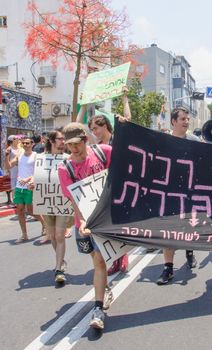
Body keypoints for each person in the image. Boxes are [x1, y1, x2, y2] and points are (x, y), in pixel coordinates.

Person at [58, 123, 113, 330]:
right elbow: (74, 198)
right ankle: (104, 287)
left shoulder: (103, 153)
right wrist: (81, 222)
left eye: (76, 144)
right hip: (86, 221)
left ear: (85, 140)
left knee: (99, 260)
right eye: (69, 144)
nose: (73, 149)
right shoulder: (65, 168)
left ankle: (98, 309)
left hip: (107, 217)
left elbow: (127, 158)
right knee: (96, 260)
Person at [86, 90, 131, 276]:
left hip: (119, 186)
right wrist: (83, 105)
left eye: (96, 128)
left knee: (118, 224)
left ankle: (123, 255)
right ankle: (114, 258)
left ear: (105, 126)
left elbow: (127, 119)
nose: (94, 132)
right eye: (92, 130)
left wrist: (124, 97)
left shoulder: (116, 139)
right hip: (101, 190)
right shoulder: (93, 146)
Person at [157, 107, 200, 285]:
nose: (186, 121)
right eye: (182, 119)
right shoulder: (164, 142)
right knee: (169, 230)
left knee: (189, 227)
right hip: (170, 192)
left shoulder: (195, 141)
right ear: (173, 121)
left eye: (187, 119)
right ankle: (168, 268)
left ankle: (189, 251)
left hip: (190, 192)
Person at [42, 130, 74, 284]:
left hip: (63, 202)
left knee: (60, 236)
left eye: (64, 139)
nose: (63, 141)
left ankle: (58, 269)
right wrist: (32, 182)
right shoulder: (42, 159)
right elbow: (39, 177)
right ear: (52, 141)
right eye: (60, 139)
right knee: (53, 236)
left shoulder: (68, 159)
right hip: (47, 201)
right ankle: (60, 261)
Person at [10, 136, 46, 244]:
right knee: (20, 210)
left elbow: (39, 171)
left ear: (32, 144)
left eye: (27, 143)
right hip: (19, 186)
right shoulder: (19, 155)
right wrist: (6, 155)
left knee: (30, 211)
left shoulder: (36, 156)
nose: (25, 145)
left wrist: (29, 179)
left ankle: (44, 224)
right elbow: (8, 166)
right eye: (24, 143)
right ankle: (24, 235)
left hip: (30, 186)